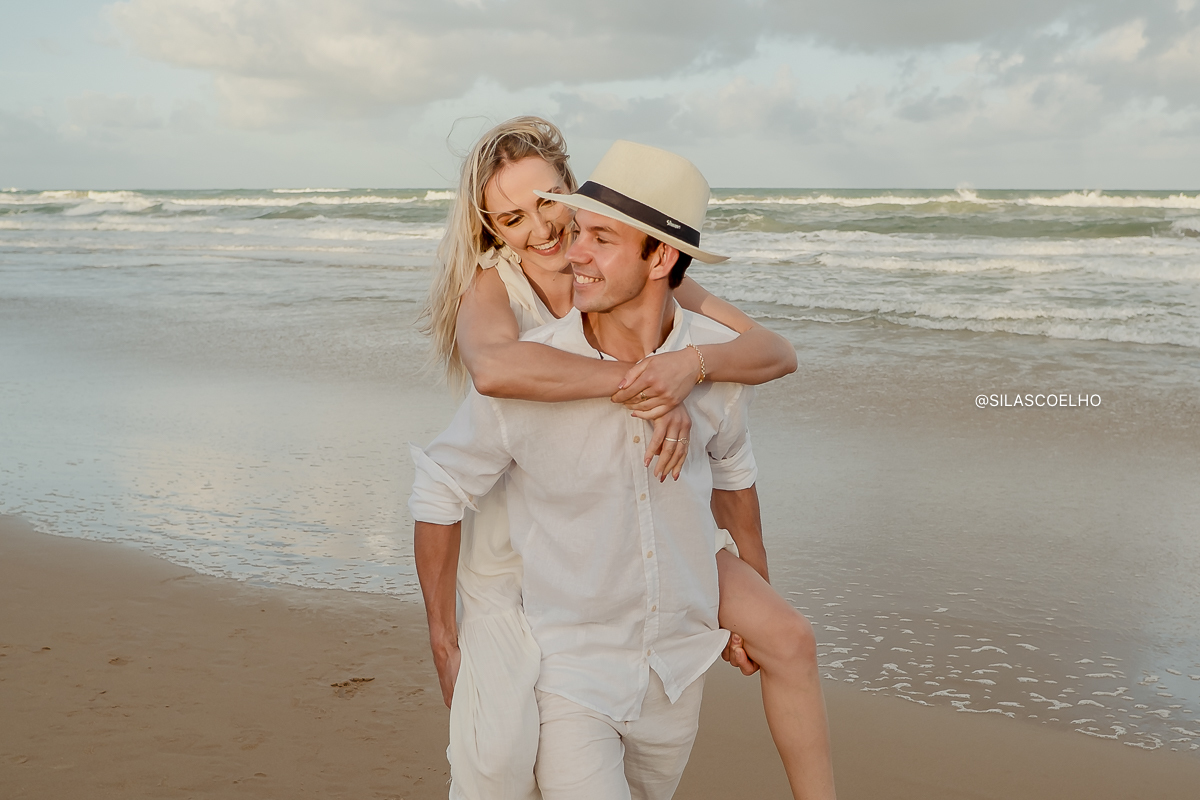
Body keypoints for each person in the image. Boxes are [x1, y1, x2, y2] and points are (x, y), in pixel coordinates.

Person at [418, 119, 835, 800]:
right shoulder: (494, 288)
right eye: (513, 219)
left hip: (636, 515)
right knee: (498, 763)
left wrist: (688, 365)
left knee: (784, 634)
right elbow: (494, 371)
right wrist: (644, 385)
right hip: (530, 530)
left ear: (572, 189)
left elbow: (773, 352)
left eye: (549, 203)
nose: (545, 231)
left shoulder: (638, 266)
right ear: (492, 230)